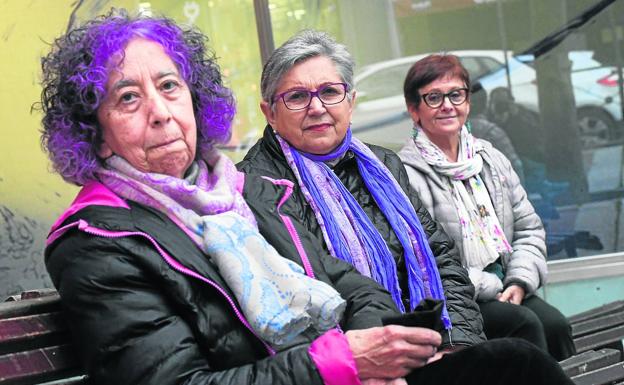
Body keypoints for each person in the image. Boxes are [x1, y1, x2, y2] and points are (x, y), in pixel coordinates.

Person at [38, 12, 574, 384]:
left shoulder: (237, 194)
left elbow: (359, 287)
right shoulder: (98, 241)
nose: (159, 111)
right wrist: (344, 363)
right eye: (128, 97)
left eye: (170, 86)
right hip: (322, 374)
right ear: (95, 131)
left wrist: (370, 360)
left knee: (517, 361)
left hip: (340, 371)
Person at [237, 30, 485, 358]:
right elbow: (309, 294)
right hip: (356, 359)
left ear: (351, 102)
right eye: (297, 97)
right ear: (269, 112)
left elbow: (441, 256)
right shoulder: (257, 186)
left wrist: (455, 342)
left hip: (431, 335)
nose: (317, 107)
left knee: (522, 341)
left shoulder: (385, 166)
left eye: (329, 92)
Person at [397, 54, 576, 361]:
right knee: (524, 325)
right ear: (415, 110)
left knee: (556, 326)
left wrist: (518, 281)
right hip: (454, 301)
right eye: (433, 98)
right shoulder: (405, 174)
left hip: (508, 285)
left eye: (456, 94)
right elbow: (422, 262)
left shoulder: (489, 158)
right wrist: (494, 286)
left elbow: (529, 229)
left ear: (467, 100)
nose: (447, 105)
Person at [468, 84, 524, 182]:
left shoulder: (522, 117)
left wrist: (518, 118)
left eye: (504, 103)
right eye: (497, 103)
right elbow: (515, 167)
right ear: (488, 104)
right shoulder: (492, 131)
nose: (501, 107)